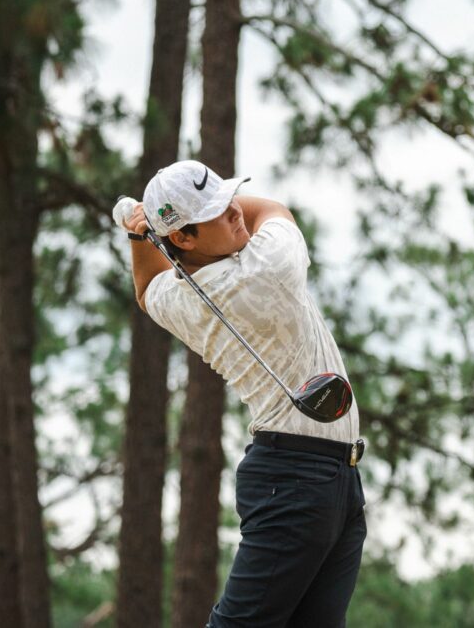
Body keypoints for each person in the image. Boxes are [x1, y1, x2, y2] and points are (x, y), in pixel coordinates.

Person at [120, 159, 365, 627]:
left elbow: (148, 283)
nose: (234, 210)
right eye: (216, 210)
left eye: (229, 197)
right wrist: (151, 226)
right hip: (296, 479)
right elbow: (270, 208)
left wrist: (140, 235)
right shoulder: (268, 264)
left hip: (325, 477)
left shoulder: (181, 299)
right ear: (184, 239)